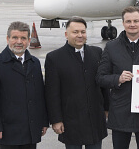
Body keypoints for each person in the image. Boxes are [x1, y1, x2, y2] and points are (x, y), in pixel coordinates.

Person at [96, 6, 139, 149]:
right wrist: (117, 79)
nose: (132, 24)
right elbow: (101, 77)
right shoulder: (111, 47)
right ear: (123, 23)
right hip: (120, 111)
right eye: (128, 21)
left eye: (136, 21)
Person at [44, 17, 109, 149]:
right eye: (75, 32)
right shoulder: (54, 58)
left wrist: (107, 108)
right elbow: (52, 93)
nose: (80, 35)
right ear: (66, 34)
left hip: (95, 119)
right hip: (71, 120)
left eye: (83, 32)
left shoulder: (97, 53)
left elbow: (104, 85)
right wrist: (56, 120)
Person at [0, 21, 49, 149]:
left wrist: (44, 121)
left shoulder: (34, 63)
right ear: (8, 39)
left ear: (29, 40)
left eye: (23, 38)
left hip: (30, 129)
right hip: (8, 131)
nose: (19, 42)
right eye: (15, 37)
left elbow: (40, 95)